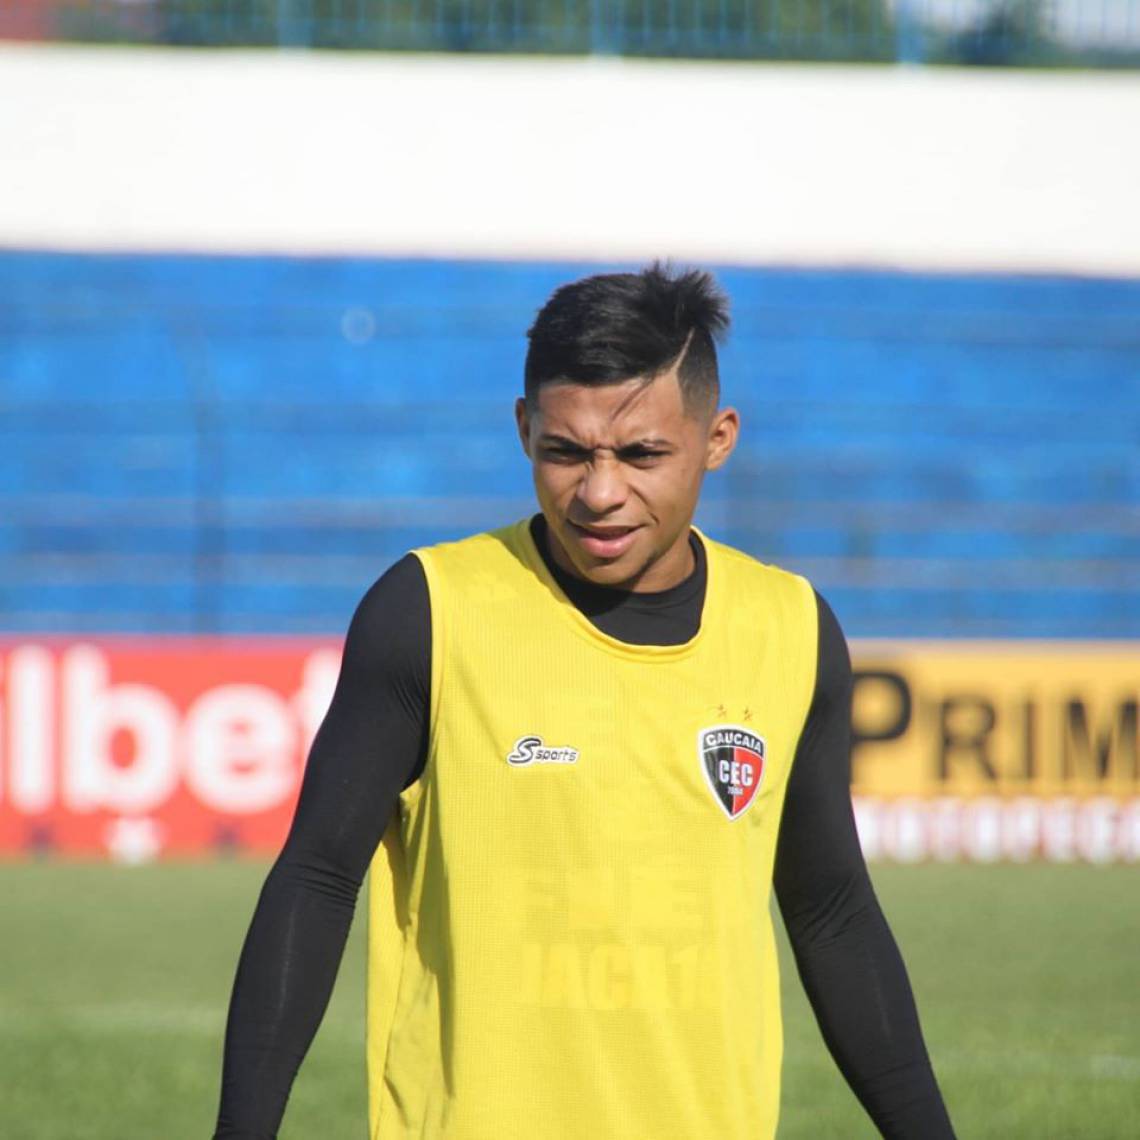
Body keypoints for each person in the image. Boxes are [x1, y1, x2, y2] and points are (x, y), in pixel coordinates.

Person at [213, 264, 956, 1139]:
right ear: (525, 428)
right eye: (566, 452)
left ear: (717, 438)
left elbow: (831, 910)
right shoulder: (428, 611)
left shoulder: (791, 629)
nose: (600, 492)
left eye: (643, 454)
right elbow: (317, 876)